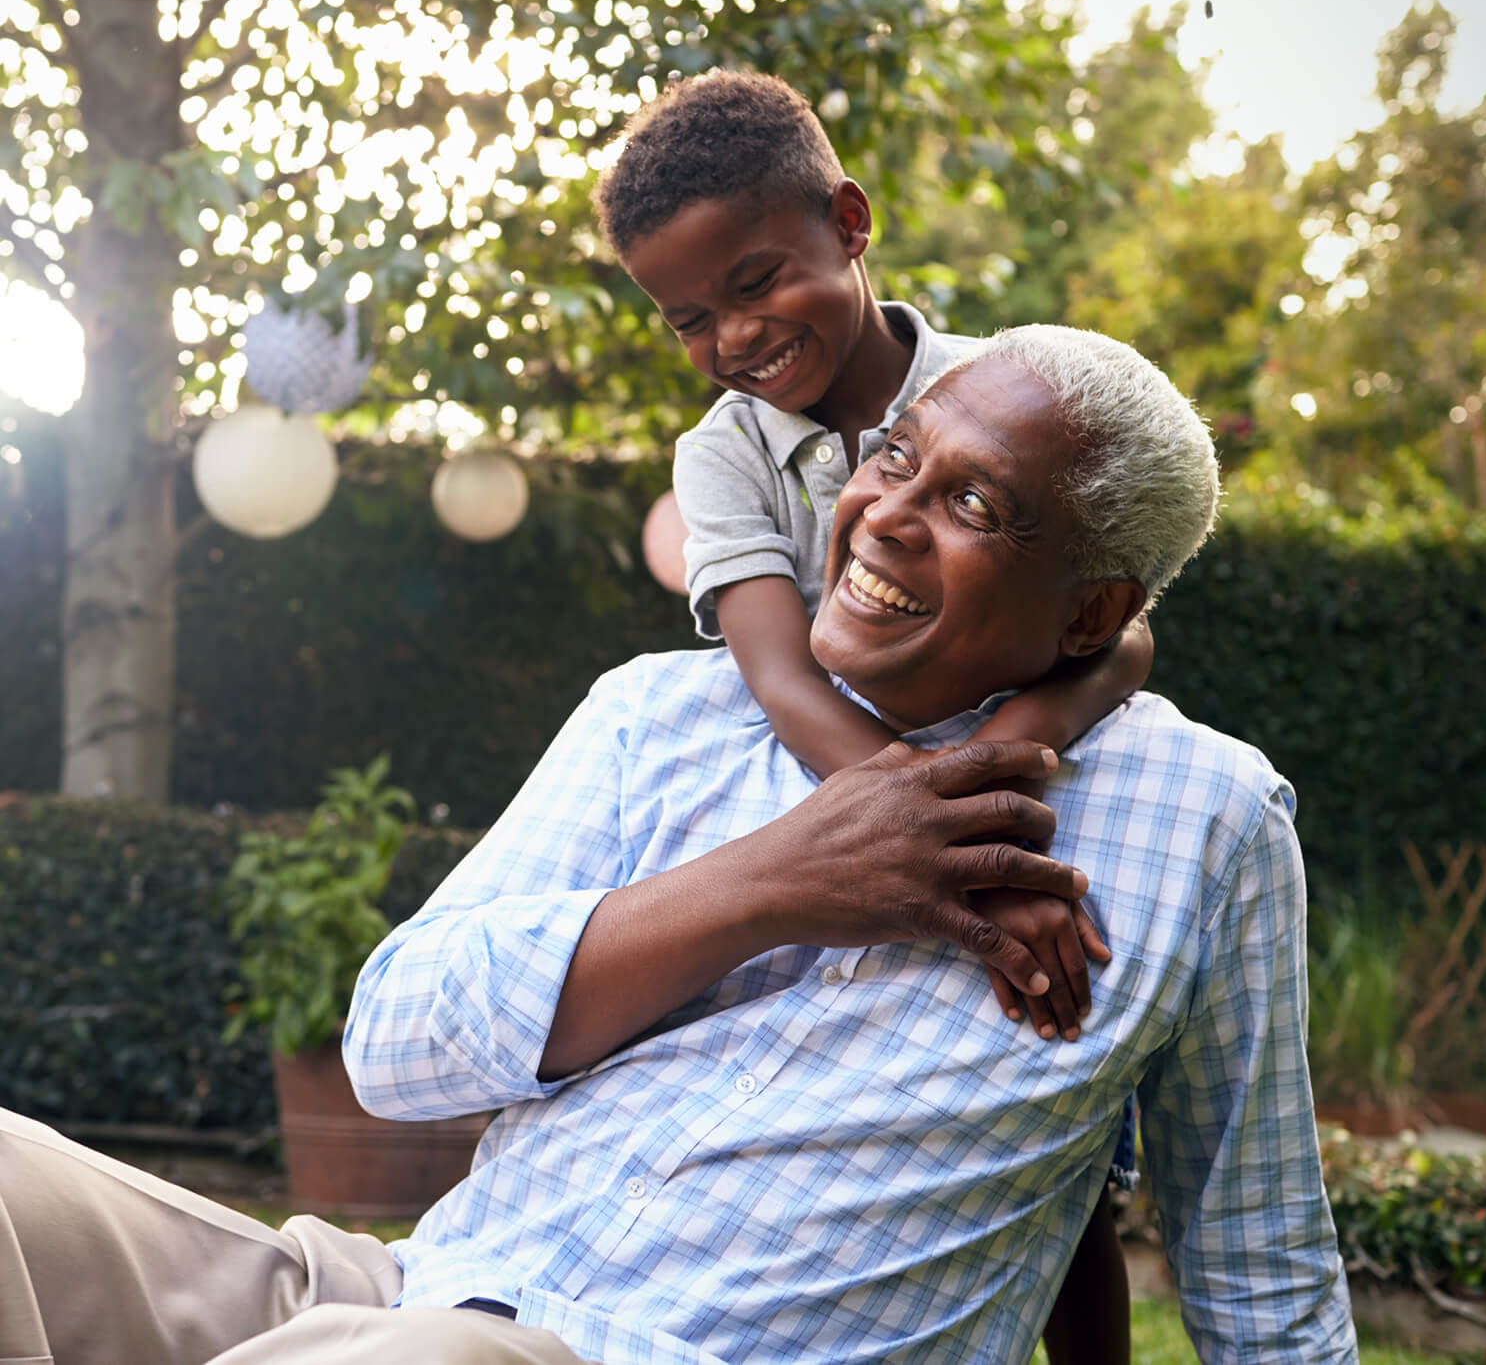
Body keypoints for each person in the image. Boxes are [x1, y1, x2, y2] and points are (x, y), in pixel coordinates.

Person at [0, 326, 1357, 1365]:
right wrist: (774, 884)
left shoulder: (1207, 822)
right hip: (410, 1289)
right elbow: (393, 1049)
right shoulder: (664, 711)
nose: (885, 511)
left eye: (976, 505)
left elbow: (1257, 1261)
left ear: (1092, 616)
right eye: (897, 454)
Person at [592, 69, 1144, 1359]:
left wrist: (1000, 800)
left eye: (754, 281)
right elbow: (781, 677)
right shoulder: (721, 455)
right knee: (873, 1127)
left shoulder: (1004, 392)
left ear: (849, 222)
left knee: (1054, 1164)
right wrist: (943, 842)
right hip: (832, 818)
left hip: (1021, 809)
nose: (732, 339)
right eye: (686, 317)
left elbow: (1126, 638)